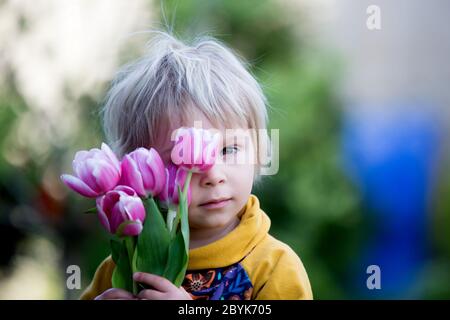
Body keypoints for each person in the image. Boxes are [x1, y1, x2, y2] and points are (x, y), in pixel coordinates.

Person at [80, 31, 312, 300]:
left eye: (229, 149)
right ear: (137, 172)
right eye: (181, 157)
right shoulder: (125, 265)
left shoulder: (272, 267)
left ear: (258, 150)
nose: (213, 175)